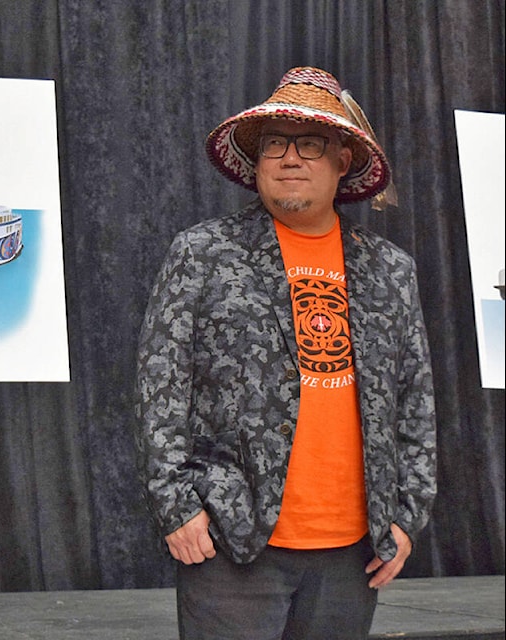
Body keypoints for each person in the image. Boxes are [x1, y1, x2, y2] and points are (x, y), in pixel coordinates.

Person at [135, 66, 437, 639]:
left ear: (343, 160)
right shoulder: (204, 253)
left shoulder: (390, 271)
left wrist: (408, 516)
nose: (289, 158)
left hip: (354, 553)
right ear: (257, 161)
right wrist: (175, 504)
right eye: (275, 143)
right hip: (234, 541)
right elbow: (160, 385)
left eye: (309, 143)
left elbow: (415, 402)